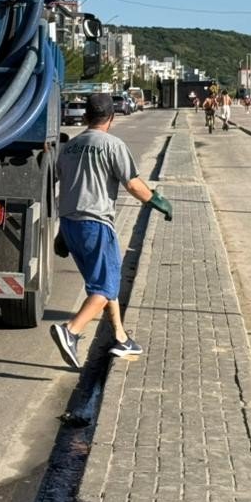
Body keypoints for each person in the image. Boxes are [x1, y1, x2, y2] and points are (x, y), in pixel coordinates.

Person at [50, 93, 172, 369]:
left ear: (85, 117)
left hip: (70, 224)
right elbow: (133, 185)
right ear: (112, 118)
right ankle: (71, 331)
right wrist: (158, 201)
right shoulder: (112, 145)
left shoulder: (69, 148)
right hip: (95, 223)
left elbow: (65, 183)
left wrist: (62, 233)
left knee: (106, 281)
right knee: (105, 285)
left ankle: (120, 337)